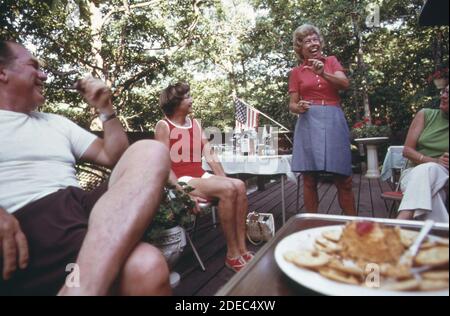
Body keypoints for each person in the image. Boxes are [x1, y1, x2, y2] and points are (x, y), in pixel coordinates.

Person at [0, 40, 172, 295]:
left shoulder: (55, 122)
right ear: (2, 72)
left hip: (85, 211)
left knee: (151, 150)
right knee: (145, 266)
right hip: (29, 219)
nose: (43, 74)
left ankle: (82, 289)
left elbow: (113, 155)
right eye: (33, 66)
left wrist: (105, 108)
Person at [154, 83, 253, 272]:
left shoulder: (195, 123)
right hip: (181, 180)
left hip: (199, 175)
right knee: (228, 189)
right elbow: (164, 166)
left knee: (239, 185)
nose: (192, 100)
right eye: (187, 97)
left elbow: (210, 154)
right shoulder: (163, 126)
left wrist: (224, 178)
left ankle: (242, 249)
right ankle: (232, 255)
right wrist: (184, 194)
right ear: (175, 102)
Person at [288, 24, 356, 215]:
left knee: (343, 177)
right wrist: (299, 107)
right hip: (308, 121)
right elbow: (292, 105)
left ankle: (353, 225)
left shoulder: (331, 61)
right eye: (308, 40)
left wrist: (323, 73)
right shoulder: (296, 73)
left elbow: (344, 84)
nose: (313, 43)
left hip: (334, 118)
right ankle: (313, 222)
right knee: (309, 178)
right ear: (300, 48)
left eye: (315, 39)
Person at [397, 85, 449, 222]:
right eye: (445, 91)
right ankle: (401, 222)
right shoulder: (426, 114)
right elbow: (407, 151)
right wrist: (434, 161)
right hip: (412, 175)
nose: (443, 96)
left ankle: (400, 223)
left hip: (445, 177)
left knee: (432, 175)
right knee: (434, 188)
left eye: (449, 94)